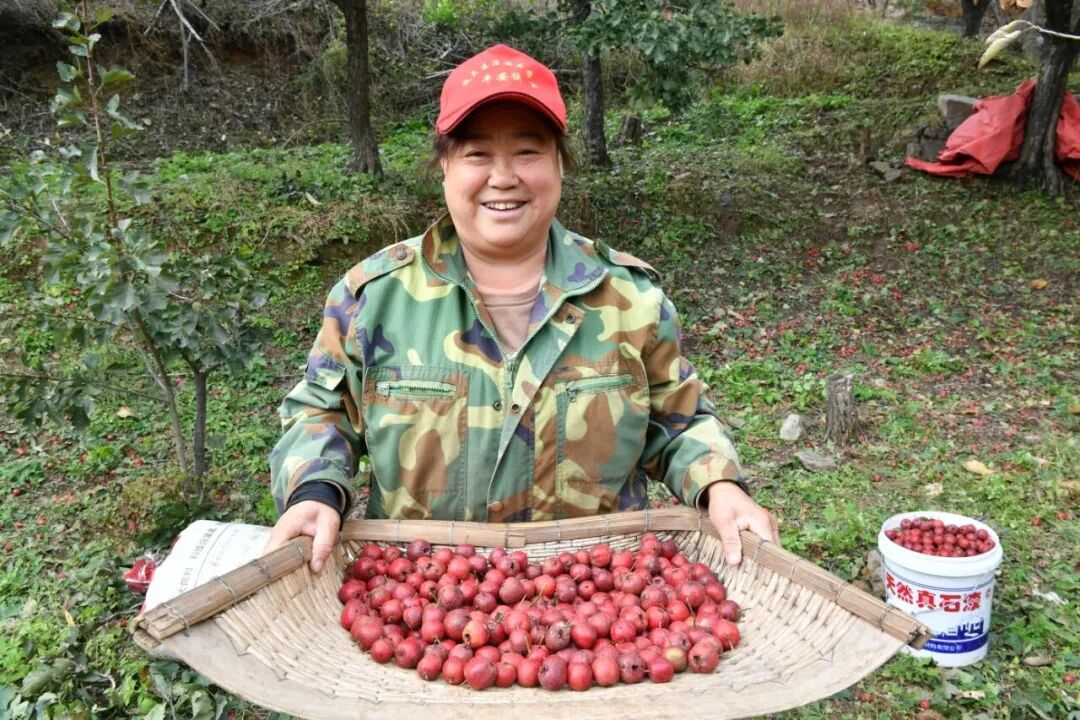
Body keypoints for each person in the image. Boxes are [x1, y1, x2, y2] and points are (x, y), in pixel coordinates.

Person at [265, 44, 779, 574]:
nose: (503, 176)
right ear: (444, 164)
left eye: (528, 152)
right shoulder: (373, 299)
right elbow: (320, 413)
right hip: (420, 596)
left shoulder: (629, 298)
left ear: (559, 162)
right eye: (478, 153)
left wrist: (720, 485)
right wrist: (314, 491)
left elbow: (680, 419)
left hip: (596, 597)